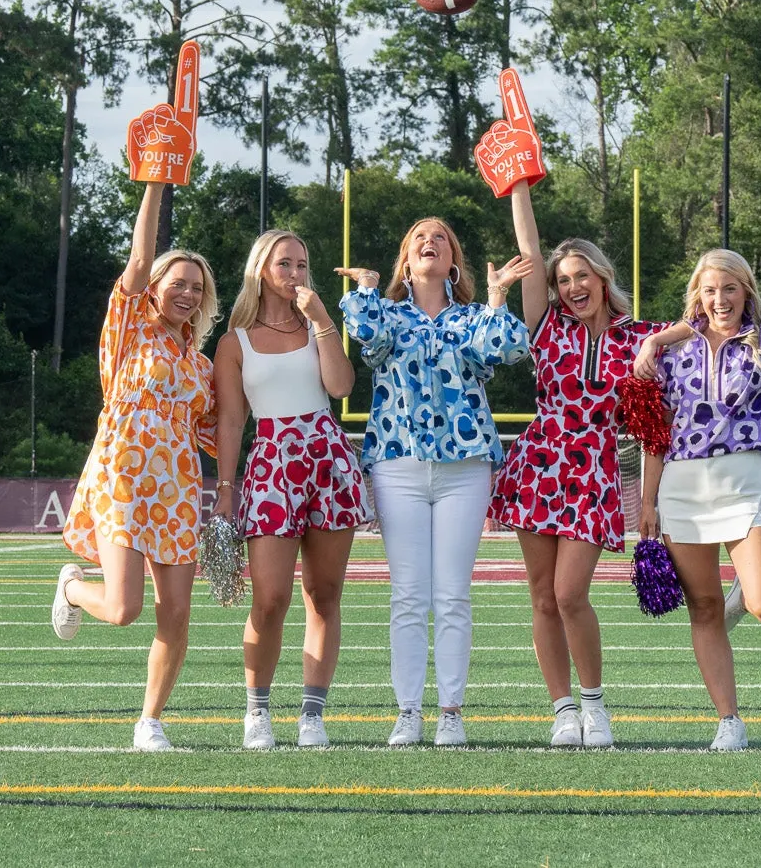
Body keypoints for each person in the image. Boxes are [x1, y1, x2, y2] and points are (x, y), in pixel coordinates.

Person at [633, 180, 761, 752]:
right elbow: (656, 434)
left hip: (744, 481)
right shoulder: (671, 354)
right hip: (681, 486)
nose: (719, 298)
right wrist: (647, 502)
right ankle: (729, 720)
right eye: (709, 291)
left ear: (745, 291)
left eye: (729, 288)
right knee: (701, 607)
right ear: (696, 297)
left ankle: (741, 601)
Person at [488, 181, 694, 749]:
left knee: (571, 593)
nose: (572, 287)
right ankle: (561, 709)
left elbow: (699, 321)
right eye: (563, 281)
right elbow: (528, 248)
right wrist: (520, 188)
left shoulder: (638, 338)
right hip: (539, 462)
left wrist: (658, 344)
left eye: (582, 276)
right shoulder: (546, 325)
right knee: (541, 595)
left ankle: (595, 704)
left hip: (594, 468)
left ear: (602, 279)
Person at [339, 218, 533, 749]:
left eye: (441, 239)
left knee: (451, 595)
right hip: (397, 465)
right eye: (419, 238)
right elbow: (366, 337)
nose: (430, 242)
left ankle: (450, 711)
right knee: (407, 595)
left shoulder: (472, 318)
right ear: (407, 259)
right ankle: (407, 711)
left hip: (464, 468)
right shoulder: (388, 313)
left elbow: (508, 350)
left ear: (454, 261)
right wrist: (365, 289)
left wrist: (496, 299)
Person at [50, 179, 220, 753]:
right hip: (121, 478)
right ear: (155, 289)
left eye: (197, 288)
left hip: (176, 488)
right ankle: (73, 589)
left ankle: (150, 720)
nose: (188, 294)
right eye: (178, 283)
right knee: (123, 608)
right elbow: (141, 256)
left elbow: (215, 432)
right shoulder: (128, 332)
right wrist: (155, 179)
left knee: (176, 610)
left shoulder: (199, 364)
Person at [212, 229, 366, 751]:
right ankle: (257, 711)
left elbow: (342, 387)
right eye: (285, 264)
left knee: (324, 596)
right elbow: (231, 421)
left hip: (327, 459)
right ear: (262, 270)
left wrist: (323, 320)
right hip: (272, 465)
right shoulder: (235, 342)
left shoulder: (319, 325)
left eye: (302, 264)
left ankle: (312, 715)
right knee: (270, 597)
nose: (296, 274)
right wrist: (226, 489)